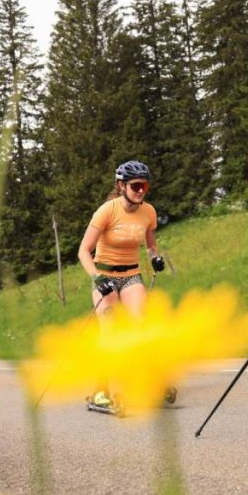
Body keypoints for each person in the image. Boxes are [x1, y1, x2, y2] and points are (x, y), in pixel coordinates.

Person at [77, 160, 166, 409]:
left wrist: (155, 258)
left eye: (144, 186)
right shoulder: (106, 211)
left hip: (131, 275)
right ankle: (100, 391)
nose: (140, 191)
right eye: (136, 186)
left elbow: (150, 244)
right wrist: (97, 278)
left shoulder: (148, 212)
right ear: (121, 185)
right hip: (104, 277)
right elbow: (83, 251)